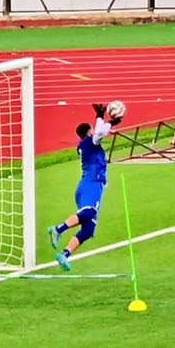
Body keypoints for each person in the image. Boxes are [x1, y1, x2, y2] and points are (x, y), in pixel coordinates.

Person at [48, 103, 123, 271]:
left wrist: (105, 118)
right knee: (88, 213)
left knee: (88, 229)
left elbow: (100, 130)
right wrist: (108, 119)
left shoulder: (86, 144)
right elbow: (100, 132)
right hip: (91, 183)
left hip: (89, 185)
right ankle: (58, 229)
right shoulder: (90, 143)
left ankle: (64, 255)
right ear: (88, 132)